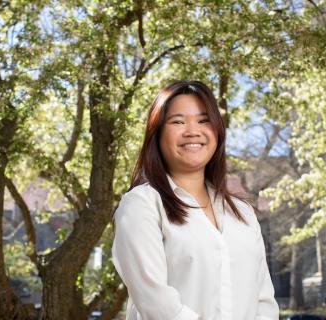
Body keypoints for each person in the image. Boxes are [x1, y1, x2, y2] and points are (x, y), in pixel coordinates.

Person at [112, 80, 279, 320]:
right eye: (178, 121)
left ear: (217, 132)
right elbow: (157, 303)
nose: (192, 131)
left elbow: (263, 301)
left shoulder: (242, 213)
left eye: (203, 120)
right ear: (157, 133)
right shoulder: (142, 205)